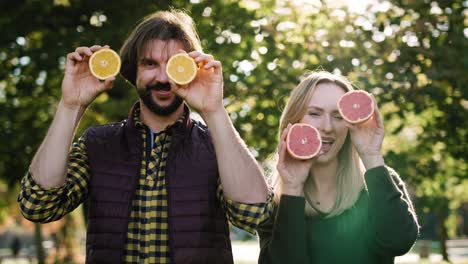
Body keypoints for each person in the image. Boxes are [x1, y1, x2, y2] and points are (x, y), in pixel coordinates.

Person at [17, 10, 271, 264]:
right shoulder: (97, 144)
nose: (162, 78)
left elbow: (257, 215)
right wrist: (71, 105)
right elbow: (39, 205)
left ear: (191, 70)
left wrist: (214, 110)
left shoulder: (218, 147)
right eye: (150, 64)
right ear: (133, 70)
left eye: (174, 65)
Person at [258, 71, 419, 264]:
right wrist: (293, 189)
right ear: (294, 121)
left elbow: (399, 242)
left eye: (338, 116)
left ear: (351, 124)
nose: (327, 127)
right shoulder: (273, 200)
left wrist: (371, 156)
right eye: (315, 113)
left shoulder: (379, 181)